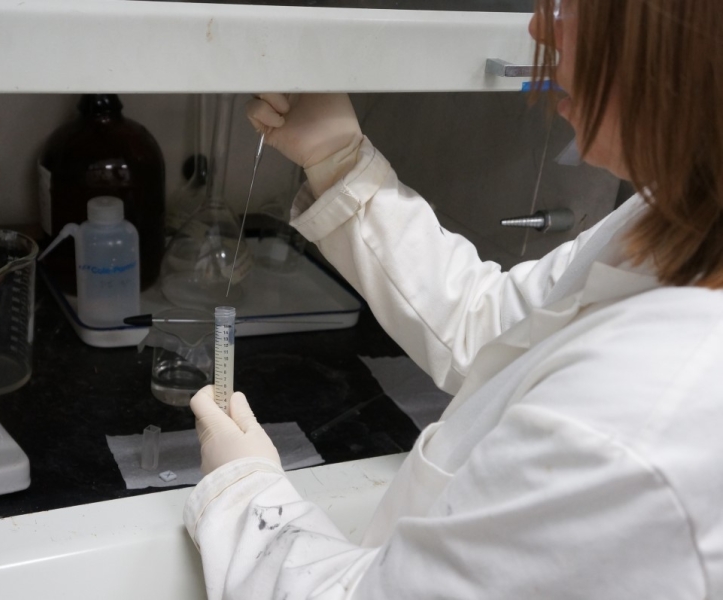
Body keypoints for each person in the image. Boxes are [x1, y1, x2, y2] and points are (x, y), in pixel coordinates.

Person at [185, 0, 723, 597]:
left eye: (576, 8)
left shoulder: (643, 418)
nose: (541, 28)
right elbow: (495, 327)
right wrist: (337, 163)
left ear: (696, 49)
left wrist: (243, 494)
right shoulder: (680, 213)